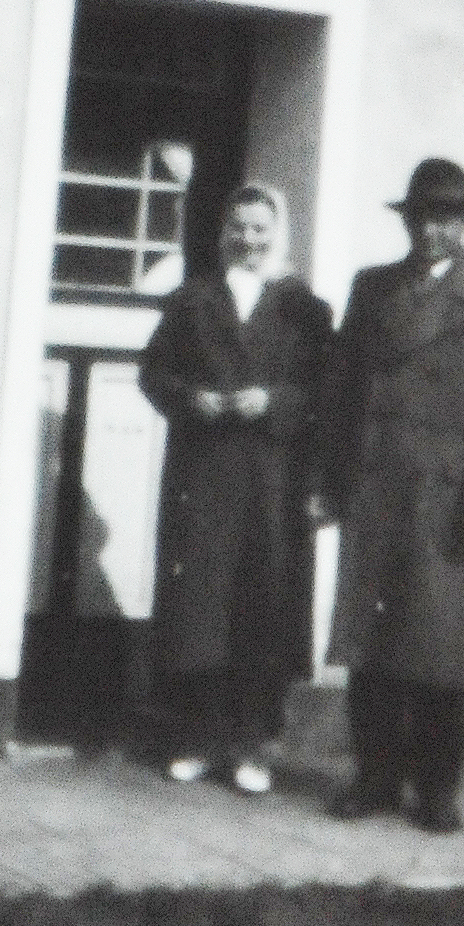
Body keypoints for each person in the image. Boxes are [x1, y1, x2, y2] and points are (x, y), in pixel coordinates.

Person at [313, 158, 464, 833]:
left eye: (444, 218)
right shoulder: (372, 287)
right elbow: (342, 392)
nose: (430, 230)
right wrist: (328, 484)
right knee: (371, 644)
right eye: (420, 217)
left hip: (446, 499)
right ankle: (375, 778)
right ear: (406, 220)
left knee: (438, 653)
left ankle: (437, 789)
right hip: (375, 485)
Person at [138, 182, 332, 794]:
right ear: (224, 234)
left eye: (260, 229)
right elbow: (153, 373)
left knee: (262, 606)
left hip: (273, 482)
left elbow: (324, 390)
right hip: (205, 474)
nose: (249, 240)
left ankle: (252, 747)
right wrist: (189, 398)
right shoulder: (192, 300)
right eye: (238, 228)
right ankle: (196, 738)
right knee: (200, 609)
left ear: (278, 234)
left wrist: (272, 400)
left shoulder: (305, 308)